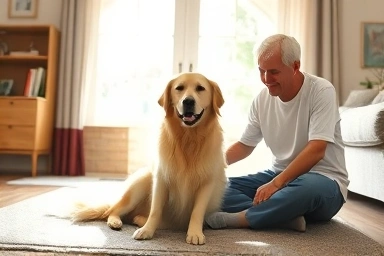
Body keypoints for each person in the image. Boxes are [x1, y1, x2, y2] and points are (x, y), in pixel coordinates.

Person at [205, 34, 349, 232]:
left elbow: (317, 149)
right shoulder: (261, 100)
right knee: (215, 188)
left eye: (273, 72)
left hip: (323, 180)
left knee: (306, 188)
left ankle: (244, 218)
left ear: (296, 66)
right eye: (261, 71)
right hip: (277, 175)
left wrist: (276, 184)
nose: (266, 79)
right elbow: (245, 146)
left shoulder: (321, 91)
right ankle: (280, 216)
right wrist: (207, 167)